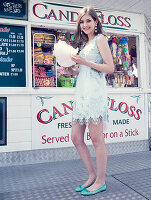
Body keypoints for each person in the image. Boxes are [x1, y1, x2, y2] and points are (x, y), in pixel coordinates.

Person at [69, 6, 114, 196]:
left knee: (97, 140)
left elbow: (110, 67)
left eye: (89, 20)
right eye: (82, 21)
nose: (85, 24)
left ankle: (101, 181)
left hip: (94, 95)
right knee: (76, 138)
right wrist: (72, 71)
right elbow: (85, 71)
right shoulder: (83, 44)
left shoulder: (100, 39)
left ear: (96, 22)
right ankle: (92, 176)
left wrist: (85, 62)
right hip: (81, 95)